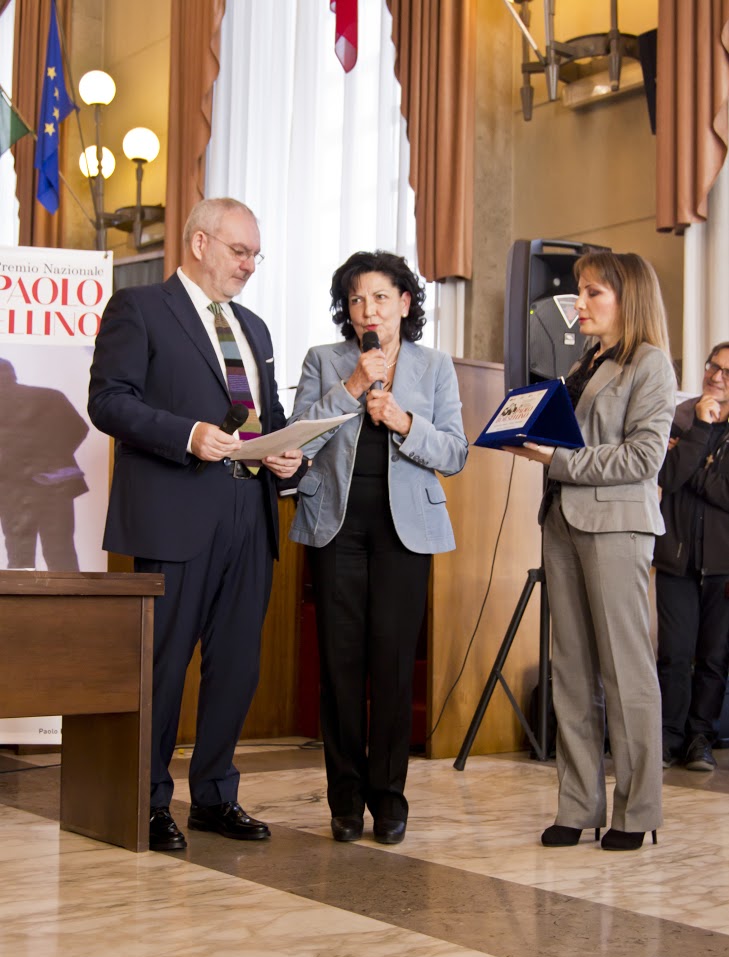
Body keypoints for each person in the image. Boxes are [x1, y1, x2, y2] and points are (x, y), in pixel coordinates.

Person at [88, 197, 303, 852]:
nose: (250, 265)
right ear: (200, 243)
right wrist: (187, 434)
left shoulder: (255, 328)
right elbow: (107, 401)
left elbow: (263, 415)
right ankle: (149, 799)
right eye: (240, 251)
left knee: (236, 664)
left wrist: (282, 452)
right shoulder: (139, 309)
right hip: (174, 512)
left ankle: (214, 795)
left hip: (249, 510)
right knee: (163, 664)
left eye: (256, 255)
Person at [288, 251, 468, 844]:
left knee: (391, 667)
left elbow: (455, 452)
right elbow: (299, 439)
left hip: (403, 533)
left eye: (382, 297)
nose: (369, 310)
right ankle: (344, 801)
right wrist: (352, 388)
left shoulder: (434, 366)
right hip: (335, 528)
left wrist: (405, 422)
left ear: (405, 304)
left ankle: (390, 800)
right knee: (339, 667)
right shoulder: (324, 360)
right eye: (357, 299)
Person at [507, 251, 676, 851]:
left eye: (592, 292)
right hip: (562, 521)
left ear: (629, 299)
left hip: (617, 527)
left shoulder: (650, 363)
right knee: (571, 673)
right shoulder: (586, 360)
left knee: (625, 673)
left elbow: (642, 458)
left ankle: (637, 810)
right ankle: (578, 806)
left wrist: (556, 458)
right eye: (579, 290)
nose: (577, 303)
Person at [655, 341, 729, 772]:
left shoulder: (682, 436)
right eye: (712, 366)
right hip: (676, 557)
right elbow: (667, 475)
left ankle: (701, 738)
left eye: (726, 372)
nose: (716, 377)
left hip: (724, 565)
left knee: (715, 658)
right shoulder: (681, 417)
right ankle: (668, 737)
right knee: (675, 654)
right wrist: (700, 429)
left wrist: (691, 463)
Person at [0, 359, 88, 570]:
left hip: (12, 489)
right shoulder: (51, 396)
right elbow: (79, 428)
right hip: (56, 484)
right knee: (62, 553)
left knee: (19, 557)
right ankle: (68, 594)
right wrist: (54, 459)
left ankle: (22, 595)